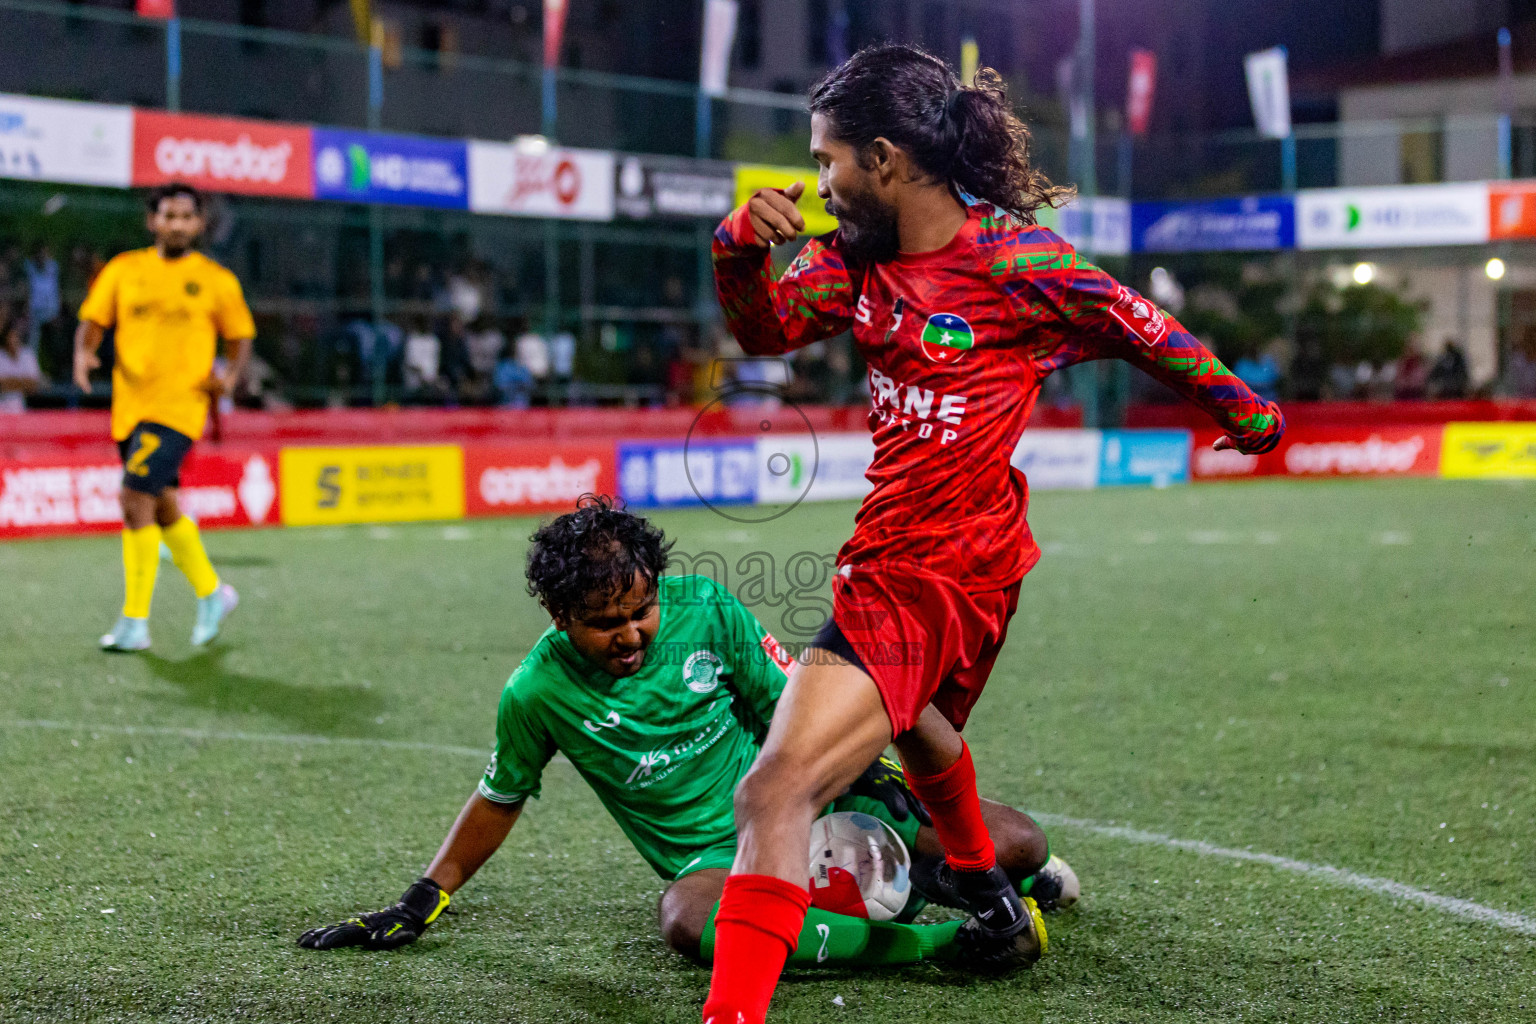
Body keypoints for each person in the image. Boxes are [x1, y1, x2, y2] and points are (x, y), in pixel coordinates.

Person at [704, 44, 1284, 1023]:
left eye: (826, 161)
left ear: (883, 158)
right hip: (938, 564)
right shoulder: (854, 264)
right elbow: (763, 332)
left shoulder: (1018, 265)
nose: (818, 185)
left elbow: (1149, 329)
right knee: (921, 728)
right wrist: (734, 249)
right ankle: (991, 902)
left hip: (929, 578)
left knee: (772, 793)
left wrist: (1247, 415)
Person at [296, 497, 1078, 965]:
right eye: (604, 624)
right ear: (557, 616)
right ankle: (944, 945)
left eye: (640, 610)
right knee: (687, 921)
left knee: (1022, 842)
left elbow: (793, 708)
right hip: (715, 862)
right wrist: (425, 896)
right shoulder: (535, 693)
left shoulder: (705, 607)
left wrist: (866, 782)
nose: (631, 633)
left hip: (805, 803)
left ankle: (950, 881)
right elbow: (499, 797)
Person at [74, 183, 253, 653]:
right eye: (167, 215)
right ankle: (214, 594)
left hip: (180, 407)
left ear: (199, 224)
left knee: (134, 497)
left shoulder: (216, 280)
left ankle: (135, 622)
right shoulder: (123, 270)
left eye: (185, 217)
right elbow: (92, 322)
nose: (176, 224)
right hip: (129, 407)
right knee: (162, 504)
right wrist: (84, 354)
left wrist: (231, 377)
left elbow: (240, 336)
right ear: (152, 221)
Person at [0, 302, 41, 412]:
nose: (13, 340)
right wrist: (22, 382)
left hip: (21, 408)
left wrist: (9, 382)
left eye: (16, 336)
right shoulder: (1, 355)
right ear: (6, 338)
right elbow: (1, 384)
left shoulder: (27, 354)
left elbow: (34, 384)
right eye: (11, 337)